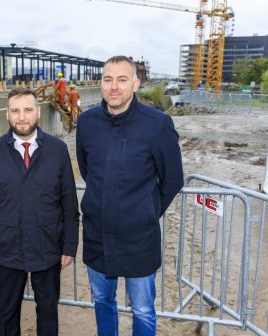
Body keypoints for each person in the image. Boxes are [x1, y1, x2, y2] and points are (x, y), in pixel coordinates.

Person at [76, 56, 184, 336]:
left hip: (139, 238)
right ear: (100, 83)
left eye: (122, 79)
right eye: (108, 79)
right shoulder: (87, 123)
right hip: (97, 234)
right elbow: (88, 170)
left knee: (143, 310)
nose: (114, 87)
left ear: (135, 84)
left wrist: (146, 211)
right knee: (102, 301)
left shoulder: (158, 124)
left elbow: (173, 179)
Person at [0, 88, 79, 336]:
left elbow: (69, 203)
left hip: (48, 246)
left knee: (48, 313)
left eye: (28, 110)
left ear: (39, 112)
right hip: (6, 249)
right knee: (7, 313)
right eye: (15, 111)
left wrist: (69, 246)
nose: (22, 117)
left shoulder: (57, 150)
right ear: (7, 115)